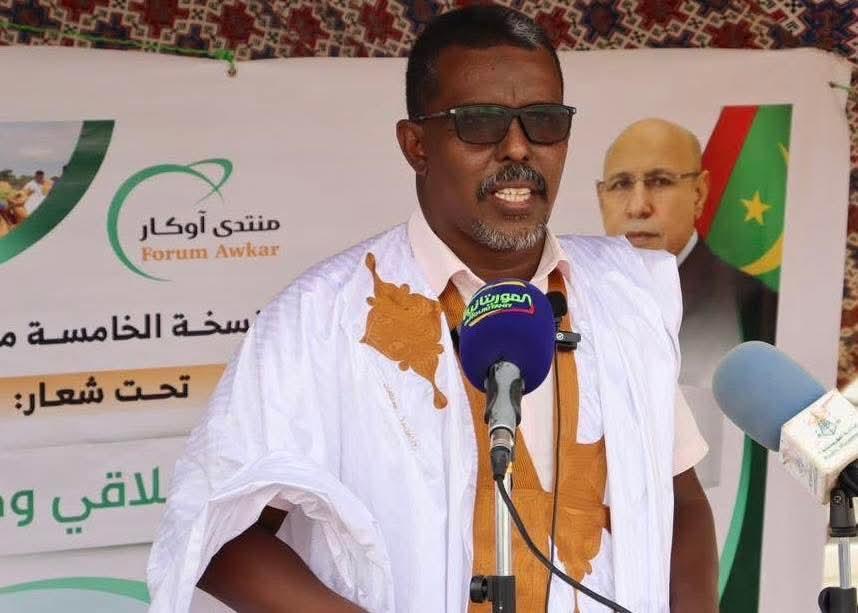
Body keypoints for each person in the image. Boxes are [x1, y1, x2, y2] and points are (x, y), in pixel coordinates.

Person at [148, 8, 718, 613]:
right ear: (416, 145)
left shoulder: (623, 296)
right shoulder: (321, 319)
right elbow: (220, 534)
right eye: (480, 123)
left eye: (545, 121)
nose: (518, 147)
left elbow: (680, 500)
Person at [597, 118, 778, 488]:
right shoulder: (572, 304)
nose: (638, 206)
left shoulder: (751, 304)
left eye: (660, 181)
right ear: (601, 198)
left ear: (699, 193)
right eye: (621, 184)